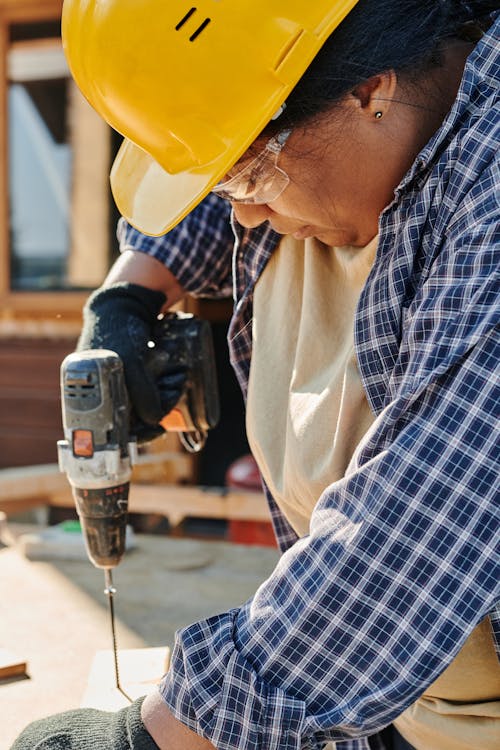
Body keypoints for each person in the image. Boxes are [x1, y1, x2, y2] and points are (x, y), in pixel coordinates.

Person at [11, 1, 499, 749]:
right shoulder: (322, 124)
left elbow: (415, 529)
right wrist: (133, 293)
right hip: (383, 711)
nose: (244, 219)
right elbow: (246, 134)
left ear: (371, 90)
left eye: (247, 179)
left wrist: (156, 737)